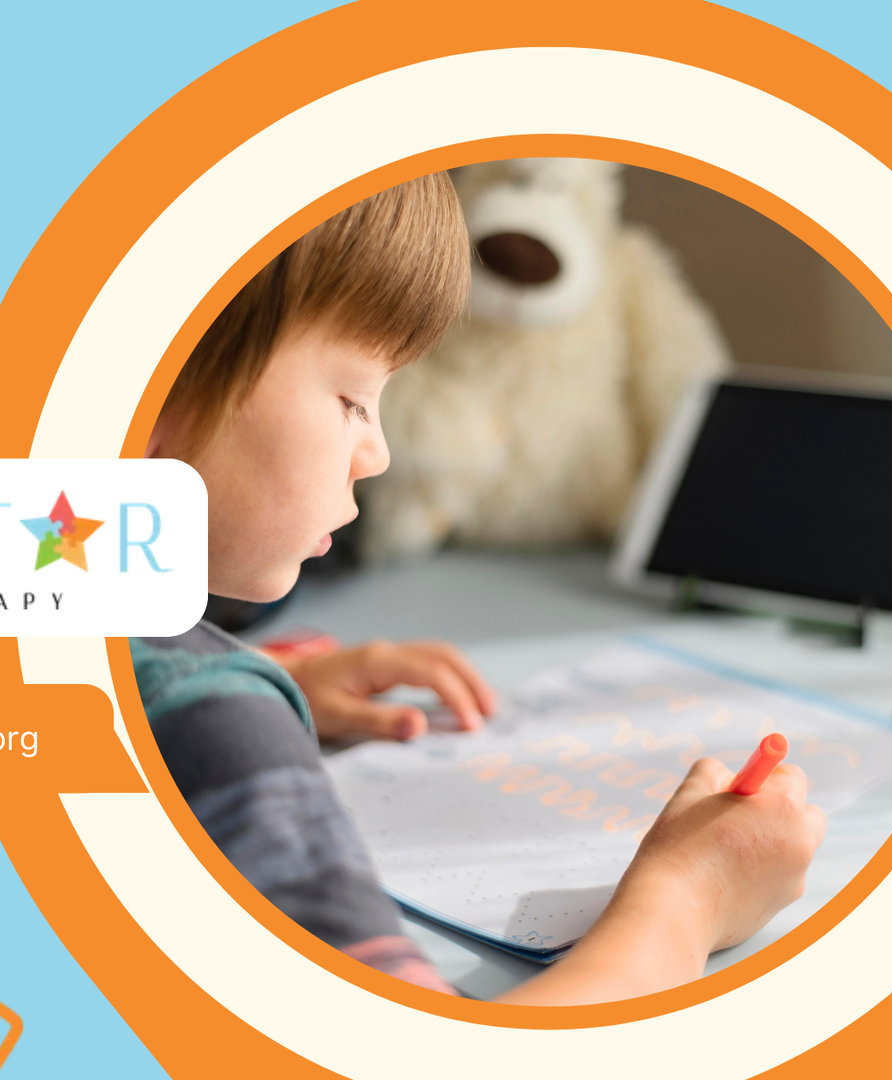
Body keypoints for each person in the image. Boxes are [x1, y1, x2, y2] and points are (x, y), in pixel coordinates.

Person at [133, 171, 825, 1005]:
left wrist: (267, 677)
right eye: (353, 397)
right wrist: (691, 898)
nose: (378, 452)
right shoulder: (213, 722)